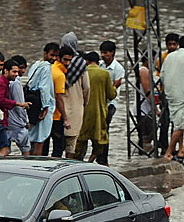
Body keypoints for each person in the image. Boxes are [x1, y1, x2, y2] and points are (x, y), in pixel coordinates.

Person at [160, 35, 184, 158]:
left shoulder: (169, 57)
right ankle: (169, 152)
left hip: (170, 94)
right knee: (180, 125)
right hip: (183, 94)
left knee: (178, 121)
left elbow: (162, 76)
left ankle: (181, 149)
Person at [77, 51, 117, 165]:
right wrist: (115, 86)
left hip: (83, 113)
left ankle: (79, 164)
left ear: (87, 62)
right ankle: (90, 161)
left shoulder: (81, 73)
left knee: (80, 141)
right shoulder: (104, 74)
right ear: (98, 62)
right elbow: (111, 95)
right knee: (100, 141)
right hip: (99, 114)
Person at [60, 32, 91, 160]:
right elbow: (87, 87)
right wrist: (84, 103)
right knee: (71, 144)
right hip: (76, 107)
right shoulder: (80, 63)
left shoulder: (58, 62)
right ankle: (68, 165)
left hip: (59, 107)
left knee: (57, 142)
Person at [0, 59, 30, 156]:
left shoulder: (6, 82)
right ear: (6, 71)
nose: (17, 74)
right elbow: (0, 100)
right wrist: (19, 104)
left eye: (17, 72)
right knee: (4, 150)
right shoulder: (2, 83)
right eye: (14, 72)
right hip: (1, 121)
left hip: (2, 120)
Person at [27, 43, 58, 156]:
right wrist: (45, 107)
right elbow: (44, 88)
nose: (54, 58)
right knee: (40, 140)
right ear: (45, 53)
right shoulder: (46, 67)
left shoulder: (36, 65)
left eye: (56, 56)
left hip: (33, 104)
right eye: (52, 55)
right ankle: (36, 163)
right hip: (41, 106)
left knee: (32, 138)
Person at [99, 40, 125, 161]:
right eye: (102, 52)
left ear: (112, 52)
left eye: (105, 53)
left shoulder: (118, 68)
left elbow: (115, 86)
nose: (103, 55)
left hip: (111, 103)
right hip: (99, 102)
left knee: (105, 129)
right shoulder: (99, 65)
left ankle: (103, 158)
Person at [7, 55, 31, 155]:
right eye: (20, 68)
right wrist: (26, 121)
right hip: (17, 122)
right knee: (26, 149)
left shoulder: (6, 81)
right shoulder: (15, 83)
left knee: (5, 149)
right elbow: (20, 105)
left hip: (7, 121)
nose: (22, 71)